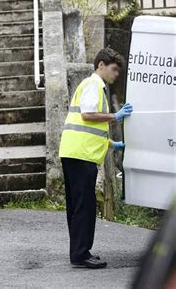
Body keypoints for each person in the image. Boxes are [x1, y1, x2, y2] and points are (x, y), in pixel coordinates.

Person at [59, 47, 133, 269]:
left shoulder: (91, 86)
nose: (115, 75)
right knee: (85, 206)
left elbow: (90, 126)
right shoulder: (94, 85)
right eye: (113, 70)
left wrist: (111, 144)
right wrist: (115, 116)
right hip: (82, 155)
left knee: (77, 205)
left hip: (74, 152)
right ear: (101, 65)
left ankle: (78, 252)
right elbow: (88, 115)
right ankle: (81, 254)